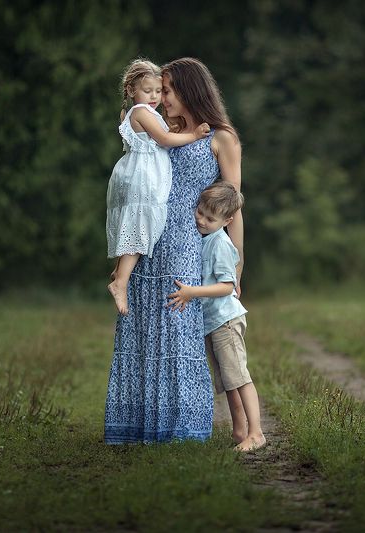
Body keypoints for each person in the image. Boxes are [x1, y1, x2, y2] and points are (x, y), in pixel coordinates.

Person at [104, 58, 244, 444]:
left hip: (186, 241)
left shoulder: (221, 137)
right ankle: (138, 425)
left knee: (178, 328)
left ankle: (182, 428)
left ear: (189, 90)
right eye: (159, 90)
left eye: (166, 90)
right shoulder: (162, 129)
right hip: (150, 239)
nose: (161, 98)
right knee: (142, 328)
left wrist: (237, 262)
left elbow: (233, 206)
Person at [166, 182, 266, 451]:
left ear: (227, 221)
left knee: (239, 377)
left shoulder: (220, 243)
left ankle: (256, 433)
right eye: (200, 213)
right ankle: (239, 430)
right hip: (213, 322)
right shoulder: (205, 238)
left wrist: (191, 293)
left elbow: (227, 286)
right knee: (227, 381)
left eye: (210, 219)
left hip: (226, 321)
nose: (202, 220)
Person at [106, 58, 210, 316]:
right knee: (141, 226)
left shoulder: (146, 113)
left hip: (138, 176)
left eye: (158, 91)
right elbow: (164, 139)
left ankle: (122, 271)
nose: (154, 97)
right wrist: (194, 135)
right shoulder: (141, 113)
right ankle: (120, 282)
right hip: (142, 179)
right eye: (147, 91)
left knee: (136, 225)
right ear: (131, 91)